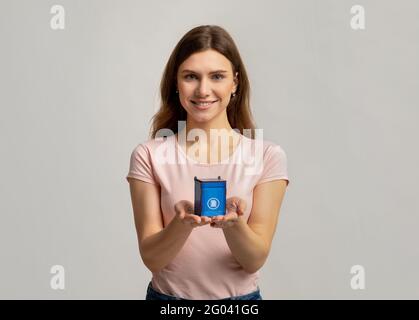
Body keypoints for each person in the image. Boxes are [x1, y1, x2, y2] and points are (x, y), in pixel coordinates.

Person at [126, 25, 290, 300]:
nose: (203, 90)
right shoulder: (149, 155)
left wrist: (234, 224)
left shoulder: (267, 156)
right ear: (176, 84)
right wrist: (181, 224)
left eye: (217, 76)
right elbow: (152, 259)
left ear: (234, 82)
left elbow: (254, 260)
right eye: (191, 76)